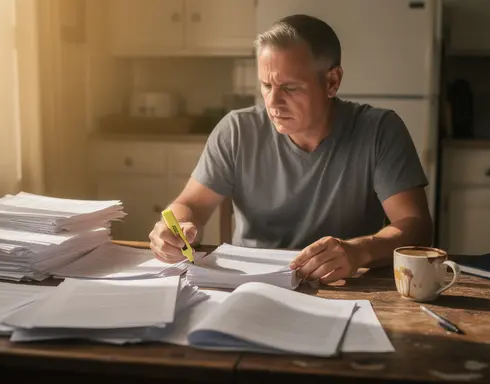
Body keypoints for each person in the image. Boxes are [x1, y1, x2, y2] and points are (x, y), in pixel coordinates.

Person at [149, 14, 433, 284]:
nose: (273, 102)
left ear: (332, 81)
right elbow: (191, 204)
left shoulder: (379, 130)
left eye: (290, 88)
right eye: (266, 85)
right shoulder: (236, 130)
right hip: (249, 284)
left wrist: (359, 251)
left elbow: (416, 225)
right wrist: (173, 229)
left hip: (347, 285)